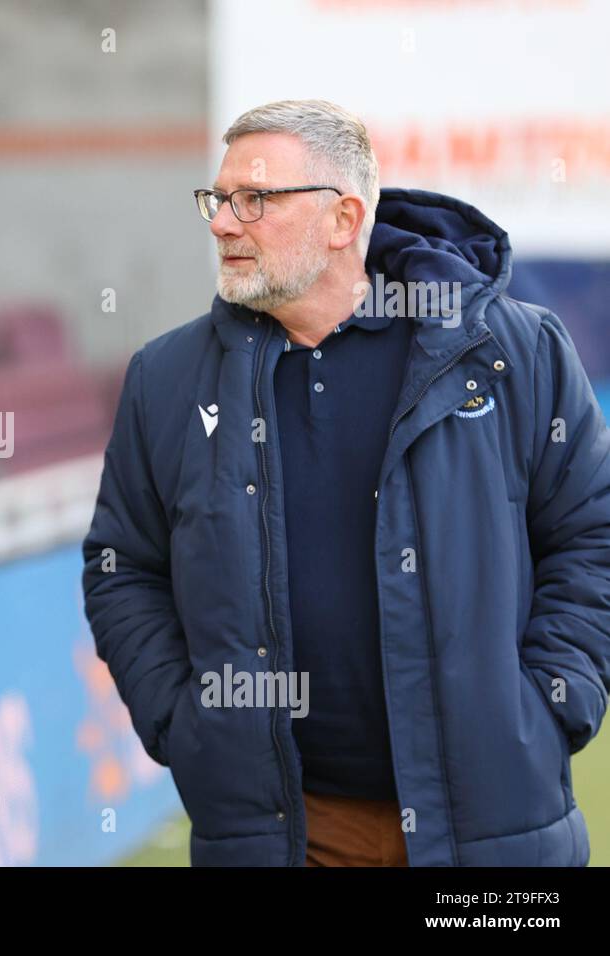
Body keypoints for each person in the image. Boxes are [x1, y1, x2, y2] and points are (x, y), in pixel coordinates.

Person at [82, 99, 610, 867]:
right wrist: (183, 722)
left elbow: (590, 535)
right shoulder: (166, 379)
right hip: (285, 834)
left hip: (490, 824)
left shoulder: (512, 352)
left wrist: (548, 702)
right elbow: (121, 565)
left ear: (342, 218)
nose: (223, 223)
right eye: (219, 199)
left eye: (254, 200)